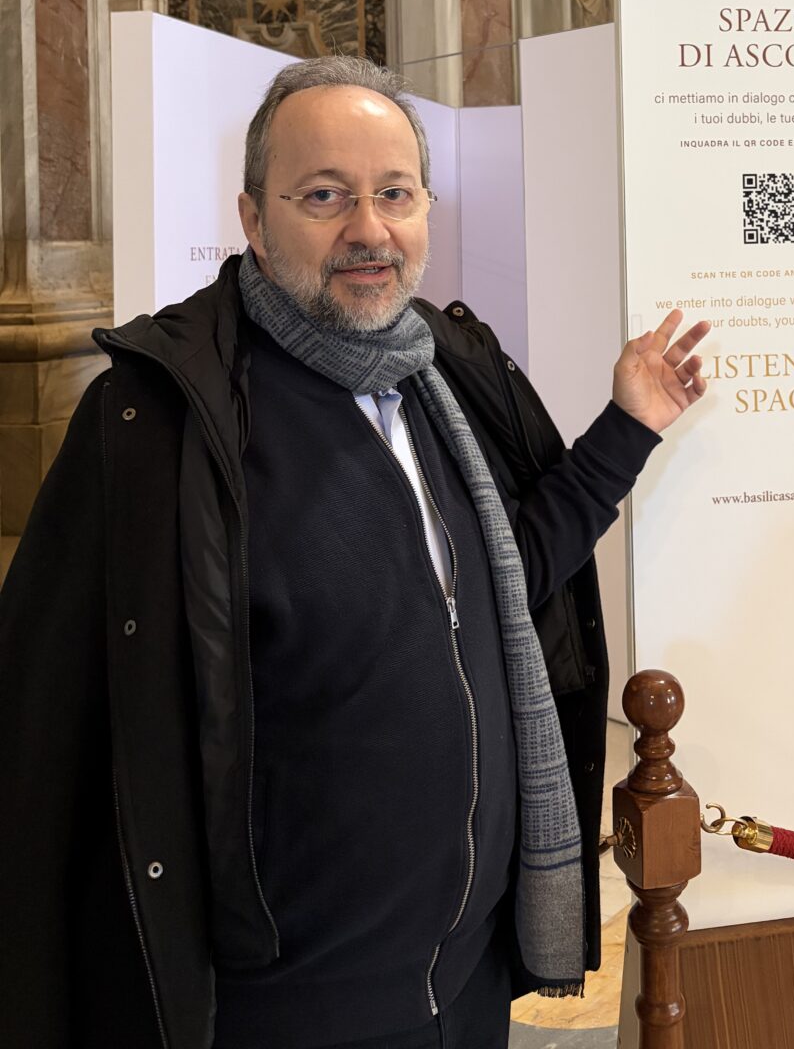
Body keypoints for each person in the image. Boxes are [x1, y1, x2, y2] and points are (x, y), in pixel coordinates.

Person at [0, 57, 709, 1049]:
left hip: (466, 984)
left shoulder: (450, 371)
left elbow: (511, 574)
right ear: (253, 218)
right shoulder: (158, 421)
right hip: (290, 1008)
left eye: (394, 193)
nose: (368, 230)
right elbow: (43, 741)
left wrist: (629, 427)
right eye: (324, 195)